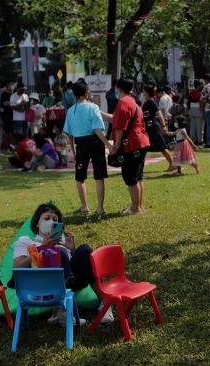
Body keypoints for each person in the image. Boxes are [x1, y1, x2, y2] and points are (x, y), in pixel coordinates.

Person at [12, 203, 114, 326]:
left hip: (68, 282)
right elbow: (18, 267)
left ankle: (105, 303)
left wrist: (73, 250)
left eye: (55, 220)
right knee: (57, 253)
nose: (51, 222)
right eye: (47, 218)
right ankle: (60, 310)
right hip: (38, 284)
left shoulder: (62, 245)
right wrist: (43, 248)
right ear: (37, 224)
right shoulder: (25, 241)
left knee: (84, 250)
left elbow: (78, 268)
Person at [64, 82, 113, 216]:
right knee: (99, 176)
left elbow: (69, 135)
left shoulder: (70, 111)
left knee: (80, 178)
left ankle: (85, 207)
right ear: (87, 93)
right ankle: (100, 209)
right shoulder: (93, 107)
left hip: (81, 145)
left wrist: (74, 153)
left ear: (74, 95)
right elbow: (97, 129)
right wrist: (108, 145)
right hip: (96, 142)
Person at [102, 78, 150, 215]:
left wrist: (116, 146)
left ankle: (135, 209)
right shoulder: (131, 101)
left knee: (130, 177)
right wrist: (99, 113)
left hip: (132, 144)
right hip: (141, 142)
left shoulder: (122, 102)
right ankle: (139, 206)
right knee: (137, 176)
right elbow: (117, 118)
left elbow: (119, 127)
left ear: (118, 88)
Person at [141, 85, 174, 171]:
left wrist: (163, 126)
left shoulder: (151, 102)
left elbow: (159, 114)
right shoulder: (148, 101)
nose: (143, 93)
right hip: (148, 128)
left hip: (154, 128)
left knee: (162, 147)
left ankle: (173, 164)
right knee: (143, 148)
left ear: (147, 92)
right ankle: (139, 167)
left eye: (143, 91)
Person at [187, 80, 204, 145]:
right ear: (199, 85)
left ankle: (192, 140)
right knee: (199, 126)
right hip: (198, 109)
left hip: (191, 109)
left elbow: (188, 101)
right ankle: (199, 140)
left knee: (192, 126)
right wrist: (202, 111)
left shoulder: (191, 93)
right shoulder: (200, 93)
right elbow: (201, 101)